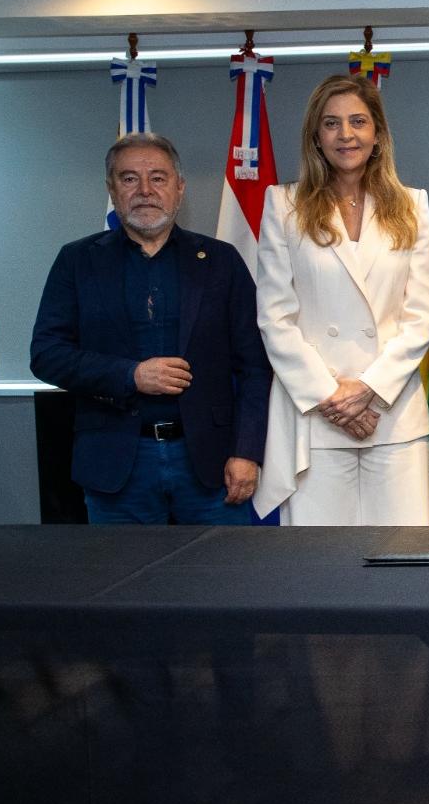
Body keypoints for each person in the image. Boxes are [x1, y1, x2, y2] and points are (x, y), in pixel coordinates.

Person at [30, 132, 270, 524]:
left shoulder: (221, 262)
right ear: (112, 189)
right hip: (116, 463)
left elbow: (256, 366)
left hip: (211, 463)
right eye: (129, 179)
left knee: (221, 566)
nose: (145, 190)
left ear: (179, 188)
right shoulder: (77, 261)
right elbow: (46, 355)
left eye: (158, 178)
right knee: (121, 567)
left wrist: (247, 451)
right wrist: (131, 375)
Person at [252, 74, 429, 525]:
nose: (345, 134)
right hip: (317, 416)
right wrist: (332, 397)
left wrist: (369, 391)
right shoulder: (284, 205)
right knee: (320, 559)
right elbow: (275, 318)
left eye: (358, 121)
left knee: (401, 555)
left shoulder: (412, 205)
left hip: (393, 415)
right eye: (331, 123)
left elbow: (420, 316)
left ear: (377, 135)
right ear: (316, 137)